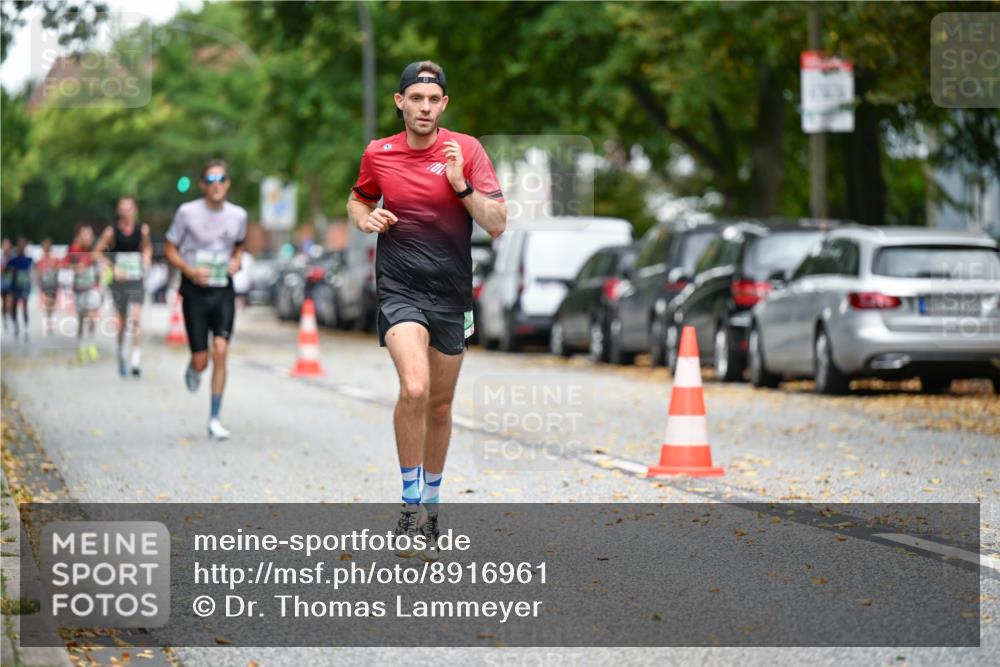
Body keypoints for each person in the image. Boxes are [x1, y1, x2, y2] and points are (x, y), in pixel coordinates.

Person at [346, 61, 506, 561]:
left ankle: (431, 511)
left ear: (444, 105)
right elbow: (357, 198)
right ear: (400, 102)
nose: (424, 107)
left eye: (433, 100)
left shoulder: (467, 150)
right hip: (399, 289)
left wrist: (461, 186)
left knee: (439, 405)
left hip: (451, 294)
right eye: (416, 98)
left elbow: (497, 222)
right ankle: (408, 503)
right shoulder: (379, 153)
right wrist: (365, 219)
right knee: (414, 388)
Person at [164, 159, 247, 441]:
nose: (216, 184)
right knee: (202, 361)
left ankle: (214, 418)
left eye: (221, 179)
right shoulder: (187, 212)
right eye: (210, 180)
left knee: (221, 351)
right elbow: (170, 248)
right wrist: (189, 270)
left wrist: (236, 261)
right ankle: (195, 365)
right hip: (194, 292)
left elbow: (239, 247)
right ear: (202, 185)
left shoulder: (238, 215)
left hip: (222, 289)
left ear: (228, 183)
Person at [94, 196, 153, 377]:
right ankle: (121, 351)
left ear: (135, 210)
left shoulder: (142, 230)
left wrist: (147, 259)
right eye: (123, 208)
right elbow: (96, 253)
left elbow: (147, 248)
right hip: (119, 281)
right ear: (118, 211)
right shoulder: (112, 231)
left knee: (136, 318)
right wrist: (112, 267)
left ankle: (136, 360)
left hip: (136, 278)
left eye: (129, 208)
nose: (126, 211)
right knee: (122, 319)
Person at [68, 226, 101, 362]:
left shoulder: (95, 250)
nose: (87, 238)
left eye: (89, 235)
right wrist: (77, 267)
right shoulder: (74, 249)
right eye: (84, 235)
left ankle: (91, 343)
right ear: (80, 237)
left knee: (92, 315)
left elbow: (100, 266)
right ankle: (81, 346)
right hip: (79, 289)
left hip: (92, 288)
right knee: (81, 319)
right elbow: (66, 264)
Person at [6, 237, 34, 341]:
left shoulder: (29, 260)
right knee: (14, 307)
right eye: (20, 245)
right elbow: (5, 270)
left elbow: (33, 272)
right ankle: (16, 325)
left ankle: (26, 328)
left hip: (25, 286)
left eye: (23, 245)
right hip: (15, 287)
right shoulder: (13, 260)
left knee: (25, 307)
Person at [35, 239, 62, 336]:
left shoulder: (55, 258)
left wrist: (54, 270)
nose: (46, 248)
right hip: (45, 284)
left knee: (52, 303)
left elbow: (58, 269)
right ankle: (49, 321)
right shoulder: (40, 260)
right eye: (44, 247)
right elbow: (38, 272)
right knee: (48, 301)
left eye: (48, 246)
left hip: (53, 283)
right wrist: (39, 282)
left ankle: (49, 317)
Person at [1, 238, 13, 333]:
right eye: (5, 245)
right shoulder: (1, 256)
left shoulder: (12, 256)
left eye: (8, 245)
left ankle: (9, 315)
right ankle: (4, 318)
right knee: (4, 302)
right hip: (2, 281)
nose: (6, 247)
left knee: (9, 301)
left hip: (10, 282)